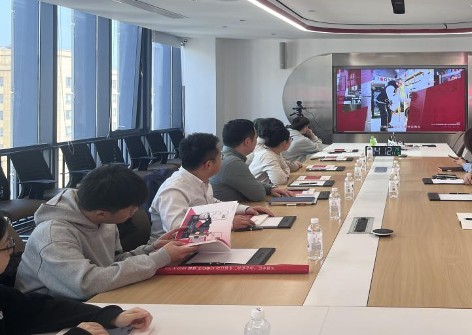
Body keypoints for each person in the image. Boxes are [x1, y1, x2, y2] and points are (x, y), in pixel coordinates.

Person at [15, 165, 196, 301]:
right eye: (131, 210)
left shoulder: (102, 216)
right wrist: (159, 259)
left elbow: (112, 262)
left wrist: (152, 249)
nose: (134, 213)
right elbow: (85, 284)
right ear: (101, 213)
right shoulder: (52, 235)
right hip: (48, 311)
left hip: (95, 298)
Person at [1, 217, 154, 335]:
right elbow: (85, 283)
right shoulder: (53, 232)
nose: (11, 251)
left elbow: (37, 309)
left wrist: (110, 316)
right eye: (7, 245)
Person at [149, 132, 273, 240]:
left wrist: (245, 209)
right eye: (221, 157)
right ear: (208, 165)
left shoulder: (201, 180)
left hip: (198, 244)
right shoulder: (174, 190)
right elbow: (178, 230)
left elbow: (213, 204)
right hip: (171, 253)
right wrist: (227, 223)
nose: (222, 160)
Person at [212, 119, 295, 202]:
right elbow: (258, 194)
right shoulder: (233, 163)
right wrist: (265, 189)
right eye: (256, 138)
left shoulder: (226, 157)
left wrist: (269, 189)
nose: (257, 142)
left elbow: (251, 182)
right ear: (247, 142)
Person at [250, 118, 301, 186]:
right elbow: (280, 181)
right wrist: (285, 173)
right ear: (283, 143)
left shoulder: (276, 152)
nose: (291, 141)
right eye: (290, 139)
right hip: (256, 191)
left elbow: (286, 168)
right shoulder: (267, 155)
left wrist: (285, 173)